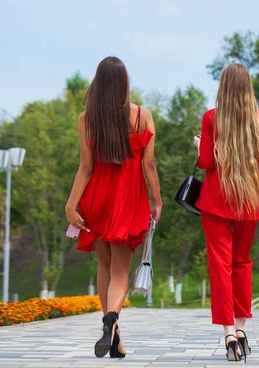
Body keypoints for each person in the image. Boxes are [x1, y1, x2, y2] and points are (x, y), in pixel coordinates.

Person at [194, 63, 259, 361]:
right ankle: (240, 329)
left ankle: (227, 334)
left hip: (215, 202)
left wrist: (201, 146)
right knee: (242, 263)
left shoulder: (211, 119)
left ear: (222, 87)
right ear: (248, 87)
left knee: (220, 266)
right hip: (248, 202)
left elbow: (207, 163)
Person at [65, 56, 162, 359]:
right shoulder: (141, 116)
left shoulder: (87, 119)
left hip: (96, 200)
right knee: (120, 270)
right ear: (124, 83)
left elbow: (85, 167)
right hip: (129, 200)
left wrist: (71, 204)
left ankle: (112, 336)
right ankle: (112, 320)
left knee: (104, 267)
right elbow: (149, 165)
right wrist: (156, 201)